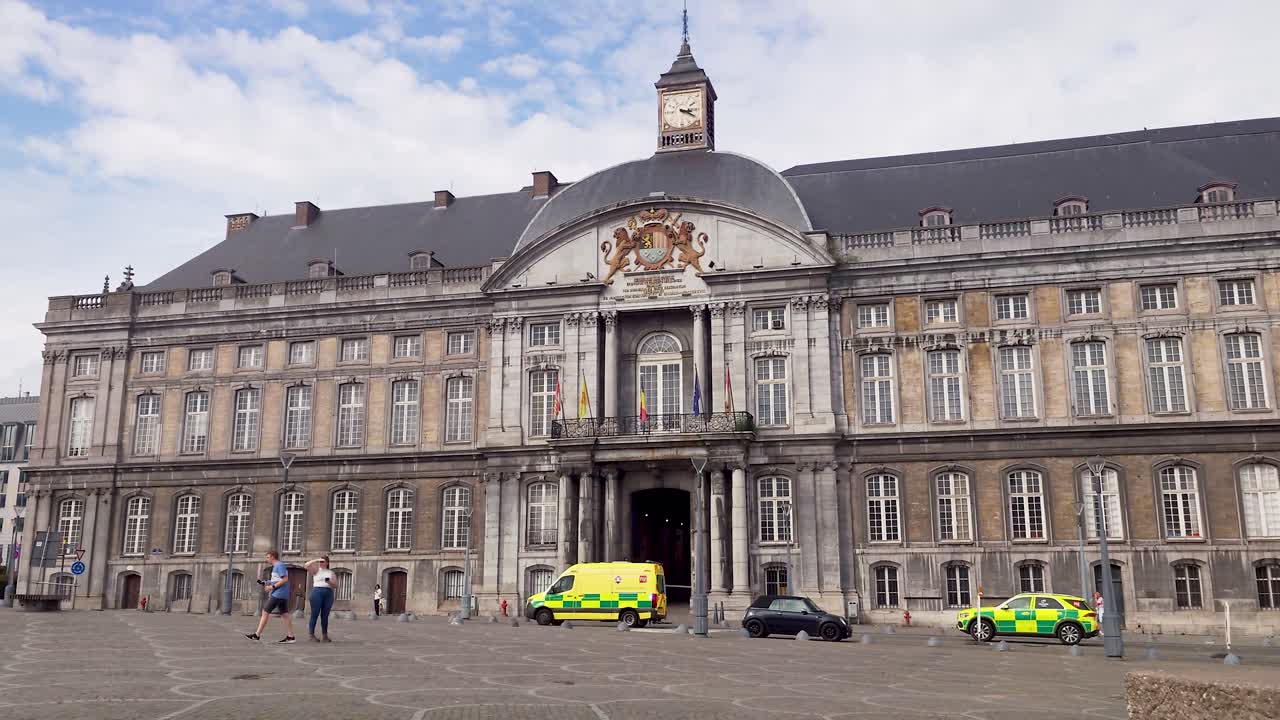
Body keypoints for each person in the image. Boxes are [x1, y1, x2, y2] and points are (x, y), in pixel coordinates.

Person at [246, 549, 296, 643]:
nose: (267, 559)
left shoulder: (279, 565)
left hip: (279, 593)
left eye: (268, 557)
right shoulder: (276, 566)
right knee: (285, 615)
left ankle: (257, 635)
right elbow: (277, 580)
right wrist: (265, 582)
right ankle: (291, 637)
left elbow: (285, 579)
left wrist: (272, 587)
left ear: (272, 557)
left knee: (265, 611)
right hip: (282, 594)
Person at [305, 556, 336, 642]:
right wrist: (316, 559)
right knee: (315, 614)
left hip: (328, 593)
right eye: (320, 561)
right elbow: (306, 565)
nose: (321, 563)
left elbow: (335, 586)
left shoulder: (331, 572)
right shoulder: (316, 571)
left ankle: (325, 635)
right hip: (317, 592)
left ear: (327, 563)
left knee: (325, 615)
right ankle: (311, 635)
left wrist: (329, 582)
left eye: (323, 561)